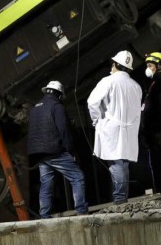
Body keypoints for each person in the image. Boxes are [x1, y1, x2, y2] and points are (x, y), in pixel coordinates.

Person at [87, 50, 143, 205]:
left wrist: (96, 118)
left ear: (116, 65)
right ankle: (122, 197)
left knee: (116, 164)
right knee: (124, 164)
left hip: (111, 128)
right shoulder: (136, 86)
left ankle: (119, 198)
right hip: (129, 130)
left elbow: (92, 102)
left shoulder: (108, 81)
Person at [27, 80, 88, 218]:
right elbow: (64, 130)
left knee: (46, 183)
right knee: (77, 177)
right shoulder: (57, 106)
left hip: (39, 153)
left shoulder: (35, 107)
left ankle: (44, 215)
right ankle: (81, 211)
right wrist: (71, 151)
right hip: (54, 150)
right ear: (59, 95)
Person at [141, 52, 161, 195]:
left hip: (159, 131)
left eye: (150, 65)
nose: (148, 68)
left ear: (159, 66)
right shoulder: (156, 82)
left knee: (160, 164)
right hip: (155, 131)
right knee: (156, 164)